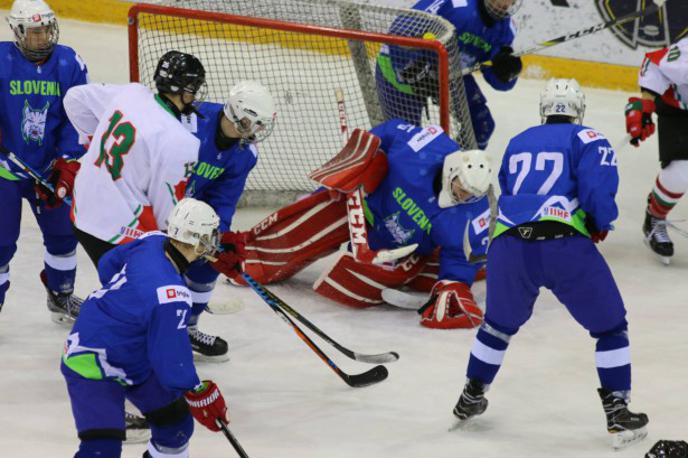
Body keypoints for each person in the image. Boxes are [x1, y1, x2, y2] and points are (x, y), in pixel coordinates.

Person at [452, 79, 649, 450]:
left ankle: (471, 394)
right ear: (579, 110)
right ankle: (618, 411)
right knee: (610, 328)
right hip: (563, 246)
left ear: (545, 110)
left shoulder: (518, 140)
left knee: (496, 326)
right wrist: (599, 223)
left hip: (509, 245)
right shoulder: (589, 138)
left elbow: (509, 189)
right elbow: (596, 190)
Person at [220, 120, 491, 329]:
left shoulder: (471, 214)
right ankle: (253, 257)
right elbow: (388, 130)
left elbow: (460, 255)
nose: (463, 196)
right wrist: (363, 157)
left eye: (471, 195)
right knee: (316, 216)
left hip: (403, 249)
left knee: (403, 275)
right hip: (364, 206)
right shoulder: (423, 149)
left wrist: (453, 283)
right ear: (452, 171)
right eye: (461, 188)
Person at [63, 49, 205, 442]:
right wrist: (183, 252)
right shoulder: (178, 140)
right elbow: (169, 216)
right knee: (141, 299)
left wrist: (91, 146)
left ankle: (105, 349)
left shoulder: (130, 94)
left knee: (122, 291)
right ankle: (122, 386)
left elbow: (74, 100)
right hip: (115, 228)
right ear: (186, 91)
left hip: (82, 206)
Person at [61, 198, 230, 458]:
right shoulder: (170, 295)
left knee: (175, 426)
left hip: (129, 346)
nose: (216, 239)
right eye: (212, 234)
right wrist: (198, 392)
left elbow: (109, 264)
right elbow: (171, 361)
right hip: (93, 357)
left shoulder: (152, 241)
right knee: (101, 449)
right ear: (198, 240)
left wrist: (128, 303)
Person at [0, 0, 88, 322]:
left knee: (64, 235)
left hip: (49, 169)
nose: (43, 38)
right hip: (4, 171)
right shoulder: (0, 60)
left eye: (47, 31)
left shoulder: (70, 63)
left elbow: (76, 119)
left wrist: (67, 164)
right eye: (35, 33)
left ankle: (60, 296)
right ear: (19, 32)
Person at [180, 80, 276, 361]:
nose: (255, 131)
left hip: (185, 211)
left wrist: (216, 237)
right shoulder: (190, 121)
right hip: (153, 202)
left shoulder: (245, 154)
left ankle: (188, 327)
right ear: (234, 112)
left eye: (260, 125)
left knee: (210, 257)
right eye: (251, 122)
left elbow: (223, 199)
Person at [375, 0, 523, 149]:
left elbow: (500, 81)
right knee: (407, 141)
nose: (505, 4)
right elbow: (401, 30)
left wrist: (506, 73)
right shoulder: (454, 4)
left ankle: (460, 166)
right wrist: (412, 69)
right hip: (399, 66)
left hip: (452, 73)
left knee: (481, 126)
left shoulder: (506, 29)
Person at [624, 37, 688, 265]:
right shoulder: (686, 53)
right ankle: (655, 216)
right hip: (680, 113)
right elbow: (654, 63)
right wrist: (645, 106)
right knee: (681, 175)